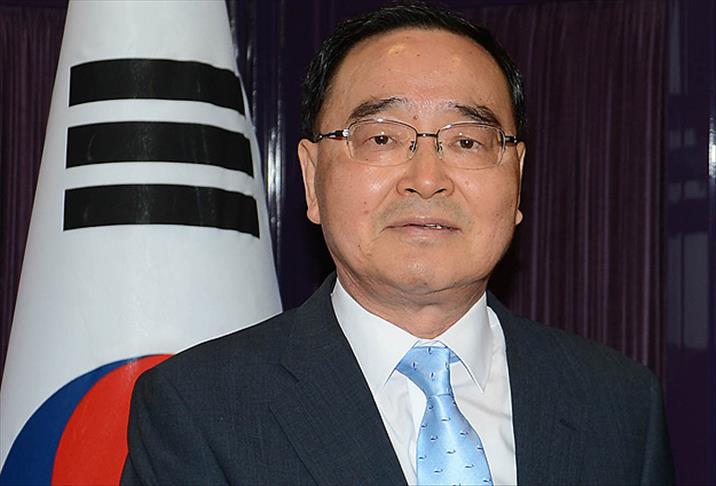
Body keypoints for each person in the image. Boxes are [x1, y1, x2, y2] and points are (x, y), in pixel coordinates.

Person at [121, 2, 674, 485]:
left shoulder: (621, 405)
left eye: (468, 141)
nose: (427, 179)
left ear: (518, 178)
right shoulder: (199, 409)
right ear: (312, 180)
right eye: (382, 137)